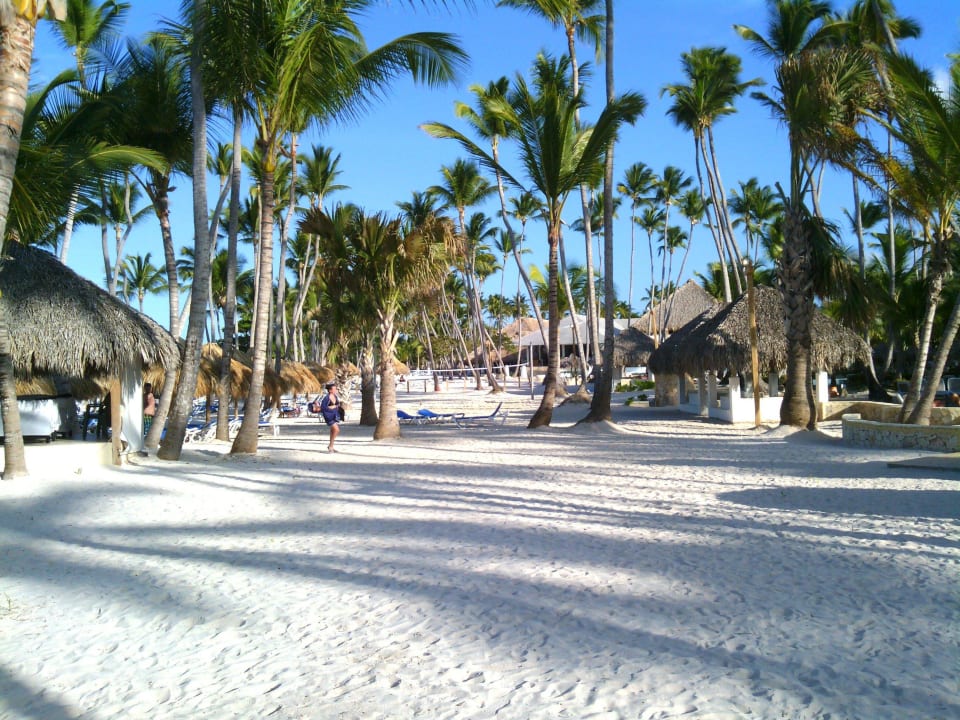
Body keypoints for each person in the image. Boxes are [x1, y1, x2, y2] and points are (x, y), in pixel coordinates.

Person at [319, 381, 341, 453]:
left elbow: (337, 404)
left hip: (334, 415)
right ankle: (331, 446)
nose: (336, 390)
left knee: (333, 431)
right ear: (330, 390)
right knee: (336, 430)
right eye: (334, 389)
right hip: (328, 416)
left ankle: (331, 446)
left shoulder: (335, 396)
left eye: (336, 389)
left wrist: (337, 406)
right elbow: (323, 408)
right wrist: (330, 408)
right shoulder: (326, 398)